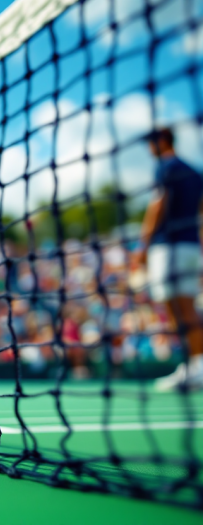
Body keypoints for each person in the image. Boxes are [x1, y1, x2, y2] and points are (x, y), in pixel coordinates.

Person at [135, 127, 203, 391]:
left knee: (178, 308)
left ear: (162, 141)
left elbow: (157, 205)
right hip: (189, 247)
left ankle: (196, 366)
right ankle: (194, 366)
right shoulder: (196, 173)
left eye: (151, 142)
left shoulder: (165, 167)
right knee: (184, 307)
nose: (149, 148)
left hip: (168, 247)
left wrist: (143, 246)